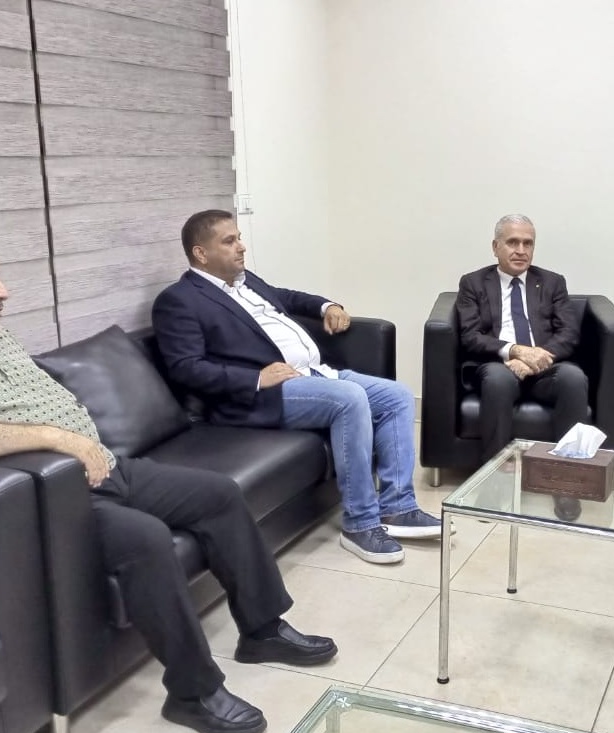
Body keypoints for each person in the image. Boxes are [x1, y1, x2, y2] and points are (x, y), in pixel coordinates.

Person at [0, 228, 337, 733]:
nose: (3, 291)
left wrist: (79, 442)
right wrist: (52, 437)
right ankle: (193, 693)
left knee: (218, 494)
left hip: (106, 466)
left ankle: (263, 630)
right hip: (52, 502)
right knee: (146, 539)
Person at [151, 210, 442, 566]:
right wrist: (257, 378)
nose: (242, 246)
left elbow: (285, 297)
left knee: (397, 396)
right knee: (350, 399)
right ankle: (360, 523)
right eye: (229, 241)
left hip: (315, 374)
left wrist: (327, 305)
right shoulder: (179, 300)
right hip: (258, 396)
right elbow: (185, 368)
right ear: (201, 253)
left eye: (239, 237)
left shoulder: (244, 280)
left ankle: (397, 507)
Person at [455, 214, 589, 518]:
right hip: (498, 364)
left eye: (528, 243)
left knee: (573, 377)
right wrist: (514, 351)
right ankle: (493, 481)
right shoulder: (473, 283)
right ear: (495, 247)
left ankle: (565, 481)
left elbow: (569, 333)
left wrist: (534, 359)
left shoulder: (553, 282)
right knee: (498, 381)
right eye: (512, 242)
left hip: (544, 367)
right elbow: (470, 336)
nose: (521, 250)